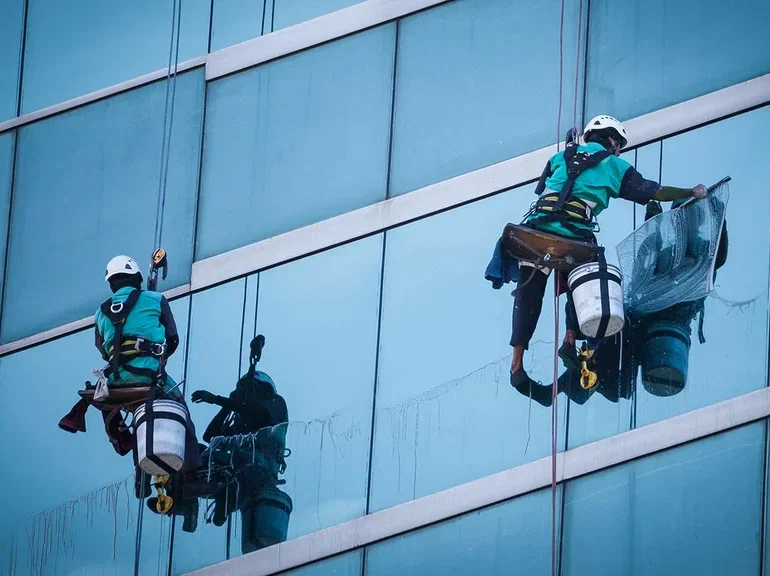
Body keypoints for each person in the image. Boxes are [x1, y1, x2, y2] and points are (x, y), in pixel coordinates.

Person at [510, 115, 710, 389]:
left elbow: (546, 187)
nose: (619, 151)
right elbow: (654, 191)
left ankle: (516, 363)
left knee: (528, 291)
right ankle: (572, 339)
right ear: (612, 141)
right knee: (590, 278)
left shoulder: (560, 156)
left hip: (533, 229)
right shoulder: (614, 164)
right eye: (619, 146)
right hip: (574, 232)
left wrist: (572, 149)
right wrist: (692, 191)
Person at [94, 255, 180, 395]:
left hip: (114, 380)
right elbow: (173, 339)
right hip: (148, 375)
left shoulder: (100, 312)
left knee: (108, 409)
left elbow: (102, 348)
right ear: (138, 278)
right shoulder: (156, 299)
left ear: (111, 284)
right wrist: (159, 356)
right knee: (178, 402)